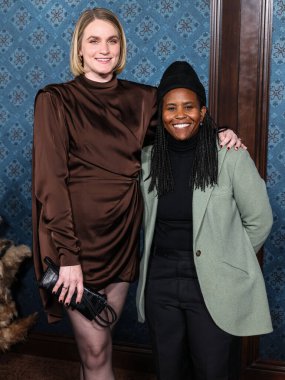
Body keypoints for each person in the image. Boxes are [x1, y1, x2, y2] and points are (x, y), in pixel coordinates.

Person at [32, 8, 242, 380]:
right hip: (75, 243)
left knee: (97, 348)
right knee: (95, 351)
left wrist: (220, 130)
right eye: (94, 40)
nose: (104, 49)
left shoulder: (142, 99)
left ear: (121, 47)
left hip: (122, 237)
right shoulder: (55, 100)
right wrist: (67, 256)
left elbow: (182, 122)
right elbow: (50, 182)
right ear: (79, 49)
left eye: (112, 40)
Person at [136, 61, 273, 380]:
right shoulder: (146, 161)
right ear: (161, 114)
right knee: (168, 369)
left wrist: (224, 258)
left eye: (189, 106)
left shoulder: (229, 155)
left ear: (203, 111)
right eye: (170, 108)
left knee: (212, 369)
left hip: (213, 280)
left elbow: (260, 221)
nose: (180, 115)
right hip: (161, 278)